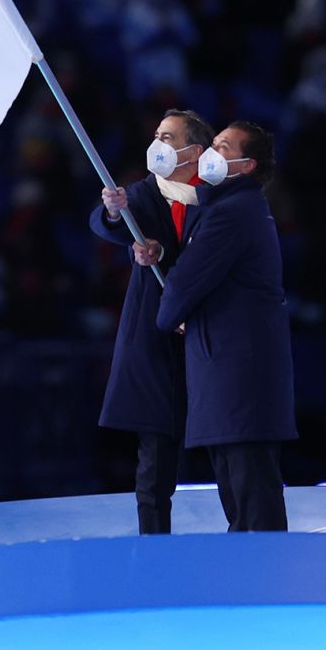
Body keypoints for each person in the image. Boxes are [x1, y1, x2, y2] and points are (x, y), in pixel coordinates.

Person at [154, 121, 296, 532]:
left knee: (251, 501)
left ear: (247, 164)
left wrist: (170, 315)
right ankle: (254, 586)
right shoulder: (227, 206)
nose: (211, 153)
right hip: (231, 372)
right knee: (241, 496)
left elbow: (185, 280)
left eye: (222, 146)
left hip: (239, 376)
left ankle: (266, 589)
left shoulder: (233, 212)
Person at [89, 108, 213, 534]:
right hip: (156, 336)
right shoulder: (142, 194)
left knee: (226, 443)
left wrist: (165, 256)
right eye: (157, 134)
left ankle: (246, 546)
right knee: (156, 452)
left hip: (208, 334)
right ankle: (154, 543)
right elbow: (110, 224)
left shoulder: (218, 197)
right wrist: (111, 211)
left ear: (194, 151)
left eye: (168, 137)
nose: (158, 144)